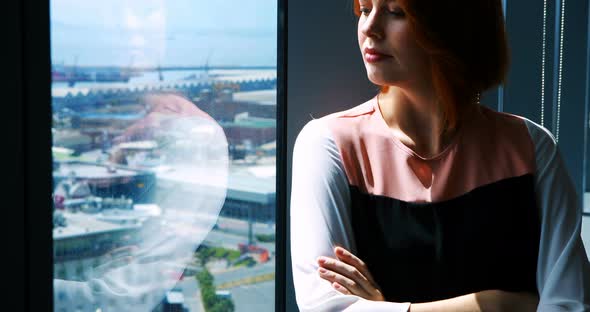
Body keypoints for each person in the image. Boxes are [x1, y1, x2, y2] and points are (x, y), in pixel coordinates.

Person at [290, 0, 590, 311]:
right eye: (365, 9)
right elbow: (325, 307)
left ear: (453, 26)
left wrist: (388, 308)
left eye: (396, 12)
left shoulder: (531, 148)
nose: (369, 28)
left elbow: (570, 305)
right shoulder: (329, 146)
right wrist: (495, 305)